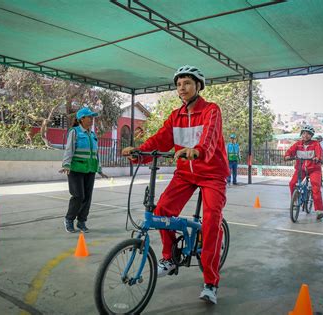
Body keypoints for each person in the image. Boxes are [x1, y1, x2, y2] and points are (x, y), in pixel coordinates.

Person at [122, 65, 229, 305]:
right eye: (179, 84)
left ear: (198, 86)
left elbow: (210, 137)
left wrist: (198, 151)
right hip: (185, 173)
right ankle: (169, 258)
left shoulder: (211, 110)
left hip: (212, 173)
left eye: (187, 83)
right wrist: (140, 151)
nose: (182, 88)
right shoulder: (175, 116)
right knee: (161, 211)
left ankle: (211, 282)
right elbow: (160, 139)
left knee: (211, 223)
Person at [60, 107, 107, 233]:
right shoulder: (74, 132)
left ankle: (81, 221)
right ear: (81, 119)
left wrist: (99, 169)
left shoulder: (92, 134)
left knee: (87, 197)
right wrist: (66, 165)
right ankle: (69, 219)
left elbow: (96, 153)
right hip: (76, 169)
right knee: (78, 196)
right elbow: (69, 149)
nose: (91, 119)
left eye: (92, 117)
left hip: (90, 169)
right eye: (89, 117)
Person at [284, 125, 323, 220]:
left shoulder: (316, 144)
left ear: (311, 135)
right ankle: (295, 202)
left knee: (315, 186)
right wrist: (287, 156)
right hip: (300, 169)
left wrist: (317, 158)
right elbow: (289, 152)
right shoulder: (298, 144)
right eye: (304, 133)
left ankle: (319, 211)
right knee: (292, 183)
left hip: (314, 169)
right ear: (301, 134)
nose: (305, 135)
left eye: (308, 134)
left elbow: (319, 154)